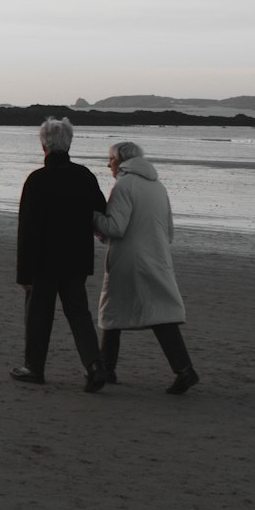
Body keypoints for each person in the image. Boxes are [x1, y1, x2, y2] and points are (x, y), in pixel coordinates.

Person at [93, 141, 199, 394]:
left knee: (112, 313)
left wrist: (93, 217)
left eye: (110, 159)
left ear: (120, 160)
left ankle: (108, 368)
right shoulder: (157, 186)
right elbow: (169, 230)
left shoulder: (124, 184)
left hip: (130, 260)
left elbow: (116, 227)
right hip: (157, 255)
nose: (108, 164)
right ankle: (184, 369)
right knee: (160, 313)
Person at [11, 116, 106, 392]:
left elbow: (26, 230)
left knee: (38, 315)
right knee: (79, 314)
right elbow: (100, 209)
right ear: (69, 144)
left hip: (43, 261)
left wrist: (23, 274)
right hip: (76, 259)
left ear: (44, 146)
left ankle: (34, 367)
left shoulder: (37, 180)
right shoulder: (84, 176)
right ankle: (95, 365)